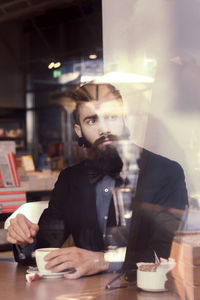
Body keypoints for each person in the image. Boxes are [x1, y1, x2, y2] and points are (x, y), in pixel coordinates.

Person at [6, 83, 188, 279]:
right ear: (79, 130)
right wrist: (25, 239)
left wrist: (102, 260)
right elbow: (45, 248)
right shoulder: (69, 180)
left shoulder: (166, 173)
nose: (104, 128)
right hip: (87, 292)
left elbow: (170, 253)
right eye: (92, 121)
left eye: (111, 117)